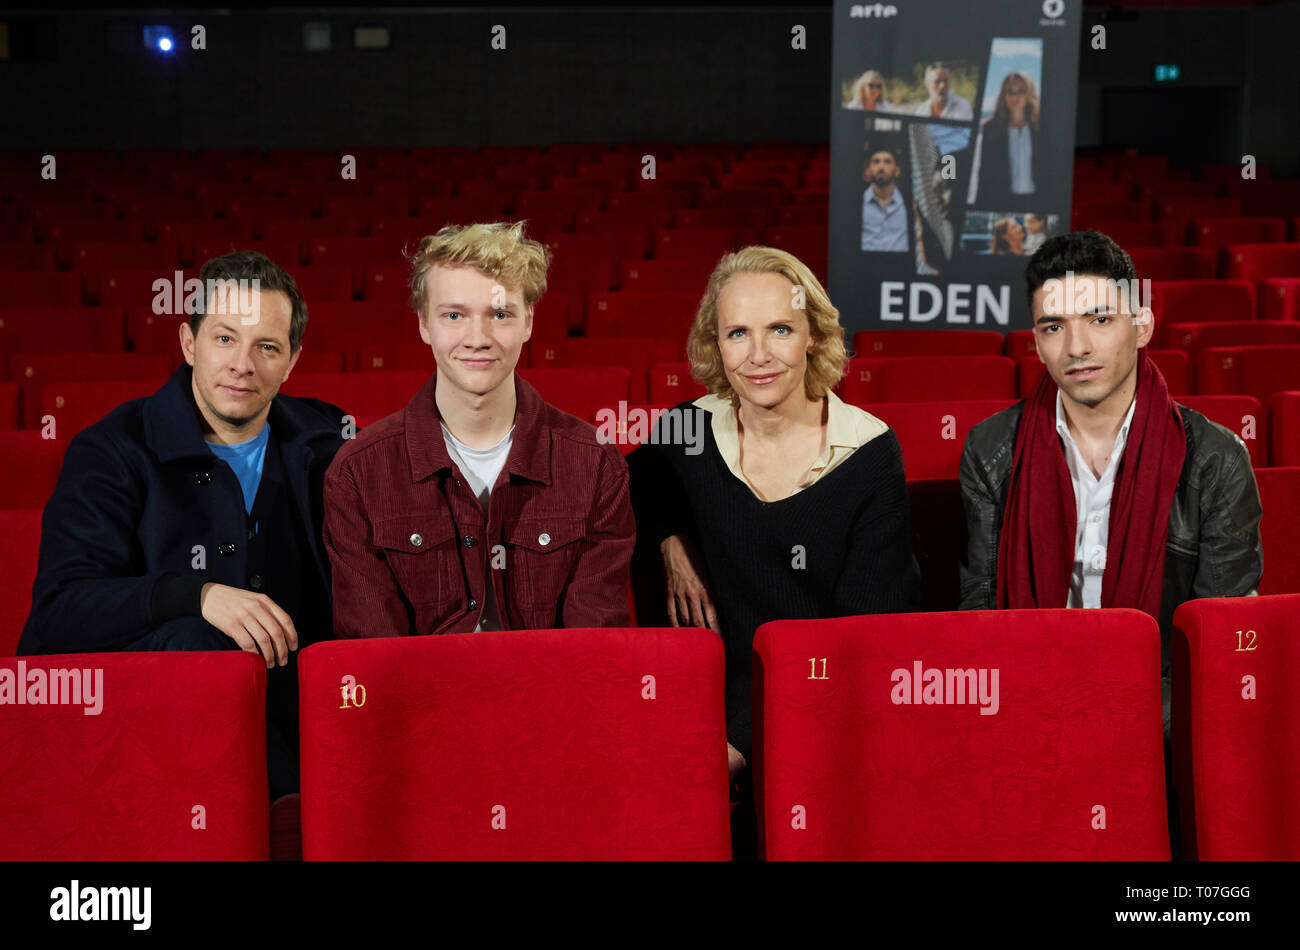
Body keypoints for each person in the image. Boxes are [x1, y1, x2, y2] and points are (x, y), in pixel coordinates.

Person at [18, 250, 346, 801]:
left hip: (300, 707)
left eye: (267, 347)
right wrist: (197, 595)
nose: (243, 363)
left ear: (291, 362)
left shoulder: (328, 441)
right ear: (188, 343)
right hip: (158, 729)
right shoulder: (112, 448)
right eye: (223, 339)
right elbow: (57, 617)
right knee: (199, 643)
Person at [628, 246, 920, 859]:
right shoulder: (687, 431)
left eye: (780, 329)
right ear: (716, 344)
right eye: (738, 333)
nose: (758, 355)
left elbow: (860, 639)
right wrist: (671, 541)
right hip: (710, 701)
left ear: (813, 335)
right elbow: (634, 483)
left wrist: (738, 741)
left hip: (828, 706)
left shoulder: (869, 452)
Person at [958, 231, 1263, 739]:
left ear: (1141, 325)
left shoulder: (1216, 459)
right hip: (1026, 710)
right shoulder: (990, 451)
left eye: (1100, 320)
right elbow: (981, 617)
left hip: (1162, 722)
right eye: (1054, 326)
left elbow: (1220, 647)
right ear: (1035, 341)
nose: (1077, 348)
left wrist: (1114, 722)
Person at [323, 221, 635, 640]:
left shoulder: (595, 463)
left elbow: (592, 650)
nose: (478, 339)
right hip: (420, 702)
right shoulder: (357, 472)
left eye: (500, 314)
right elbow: (375, 655)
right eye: (454, 315)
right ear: (423, 323)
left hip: (549, 698)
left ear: (528, 323)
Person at [972, 72, 1041, 207]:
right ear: (1003, 95)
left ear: (1029, 94)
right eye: (1010, 91)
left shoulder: (1041, 128)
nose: (1014, 96)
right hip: (1002, 201)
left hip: (1037, 202)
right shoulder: (990, 129)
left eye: (1020, 91)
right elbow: (984, 175)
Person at [860, 147, 909, 252]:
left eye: (887, 162)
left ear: (897, 171)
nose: (881, 167)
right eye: (876, 162)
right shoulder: (857, 203)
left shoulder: (909, 204)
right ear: (868, 171)